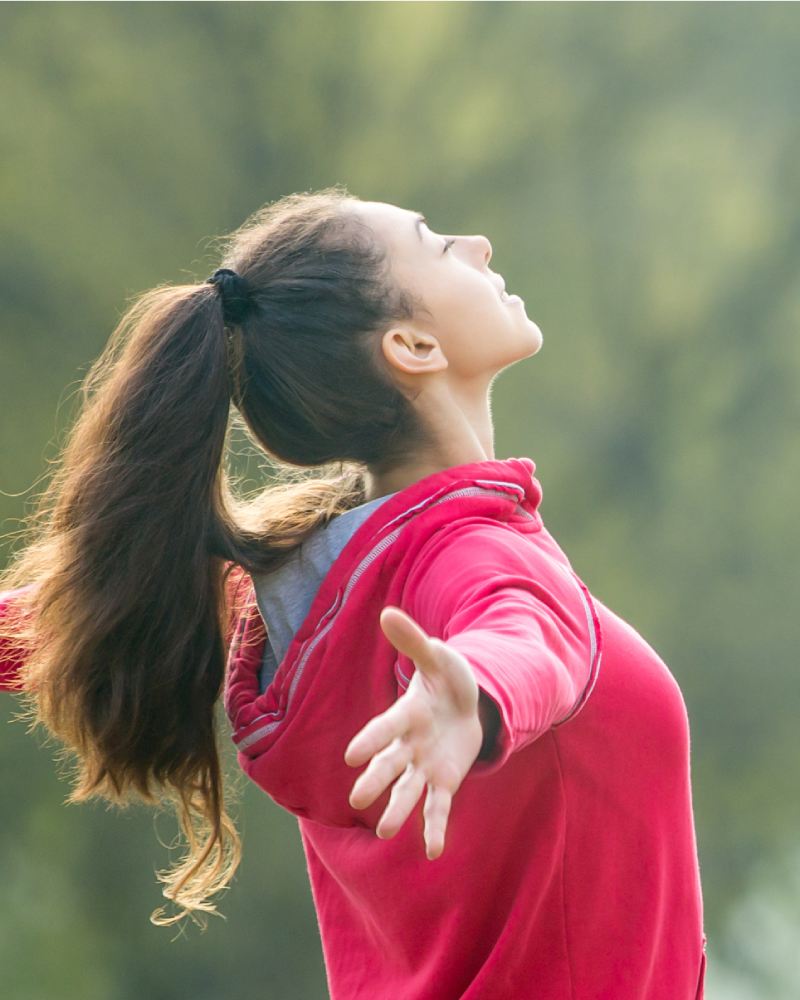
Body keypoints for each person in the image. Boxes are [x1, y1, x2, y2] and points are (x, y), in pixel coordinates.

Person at [0, 185, 706, 998]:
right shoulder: (465, 552)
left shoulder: (308, 589)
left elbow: (76, 616)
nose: (476, 242)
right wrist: (474, 698)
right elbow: (523, 627)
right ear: (411, 346)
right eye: (438, 245)